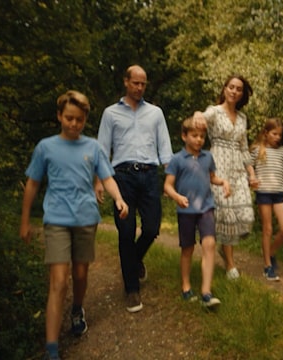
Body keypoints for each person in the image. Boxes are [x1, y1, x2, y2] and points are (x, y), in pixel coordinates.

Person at [20, 90, 129, 360]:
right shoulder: (45, 147)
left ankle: (77, 309)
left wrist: (118, 198)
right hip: (56, 220)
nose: (73, 124)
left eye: (79, 120)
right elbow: (33, 183)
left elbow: (107, 178)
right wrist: (24, 221)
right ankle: (52, 348)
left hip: (85, 220)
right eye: (69, 118)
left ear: (84, 120)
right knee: (58, 282)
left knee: (80, 275)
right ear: (59, 116)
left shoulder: (93, 148)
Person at [96, 65, 173, 312]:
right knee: (126, 233)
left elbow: (166, 149)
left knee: (152, 228)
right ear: (126, 82)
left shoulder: (156, 113)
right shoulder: (110, 114)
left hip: (150, 176)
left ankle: (134, 260)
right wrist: (99, 180)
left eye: (143, 84)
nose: (139, 87)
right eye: (135, 83)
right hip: (122, 177)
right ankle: (132, 290)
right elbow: (101, 150)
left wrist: (171, 178)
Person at [193, 75, 258, 280]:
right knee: (226, 215)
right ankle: (230, 264)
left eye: (239, 89)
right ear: (225, 89)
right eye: (231, 87)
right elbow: (201, 118)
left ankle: (224, 250)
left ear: (242, 93)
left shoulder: (242, 118)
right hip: (218, 166)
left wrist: (252, 173)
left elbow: (244, 147)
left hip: (238, 168)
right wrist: (197, 114)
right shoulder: (214, 111)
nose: (234, 91)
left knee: (246, 215)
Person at [164, 116, 231, 308]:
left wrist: (224, 182)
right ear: (184, 136)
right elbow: (167, 186)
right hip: (185, 210)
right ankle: (186, 286)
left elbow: (212, 178)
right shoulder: (177, 159)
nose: (199, 140)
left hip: (206, 207)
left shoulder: (207, 157)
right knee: (188, 249)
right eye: (194, 135)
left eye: (202, 136)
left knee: (209, 244)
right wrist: (177, 197)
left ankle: (206, 292)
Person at [249, 117, 283, 281]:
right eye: (274, 134)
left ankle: (271, 252)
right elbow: (247, 168)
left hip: (280, 195)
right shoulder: (257, 150)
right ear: (266, 133)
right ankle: (268, 266)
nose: (277, 138)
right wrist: (251, 180)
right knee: (267, 229)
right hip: (264, 194)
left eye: (280, 135)